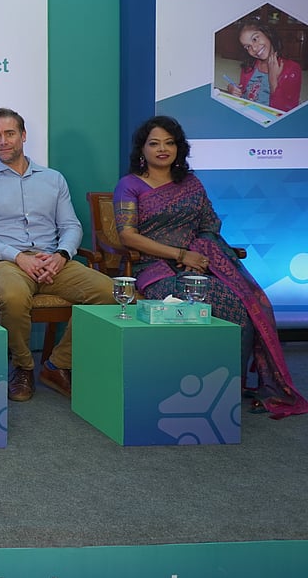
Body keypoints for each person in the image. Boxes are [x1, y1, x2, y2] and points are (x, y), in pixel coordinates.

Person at [114, 115, 308, 418]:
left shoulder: (190, 183)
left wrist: (202, 251)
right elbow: (127, 236)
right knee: (212, 301)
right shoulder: (130, 185)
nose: (163, 149)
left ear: (179, 148)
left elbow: (209, 225)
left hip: (200, 265)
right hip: (154, 269)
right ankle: (197, 385)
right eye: (154, 143)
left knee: (242, 306)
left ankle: (232, 385)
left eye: (170, 142)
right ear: (142, 149)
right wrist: (181, 255)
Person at [0, 107, 114, 402]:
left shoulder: (53, 179)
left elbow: (70, 226)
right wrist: (18, 257)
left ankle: (58, 364)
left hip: (53, 261)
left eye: (9, 134)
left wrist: (61, 255)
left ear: (23, 136)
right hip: (6, 263)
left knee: (110, 292)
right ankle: (23, 367)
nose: (2, 141)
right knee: (14, 298)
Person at [226, 19, 302, 112]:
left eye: (255, 39)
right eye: (247, 46)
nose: (253, 48)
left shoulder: (292, 69)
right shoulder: (249, 66)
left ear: (267, 33)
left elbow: (284, 112)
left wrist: (273, 79)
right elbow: (244, 94)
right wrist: (233, 89)